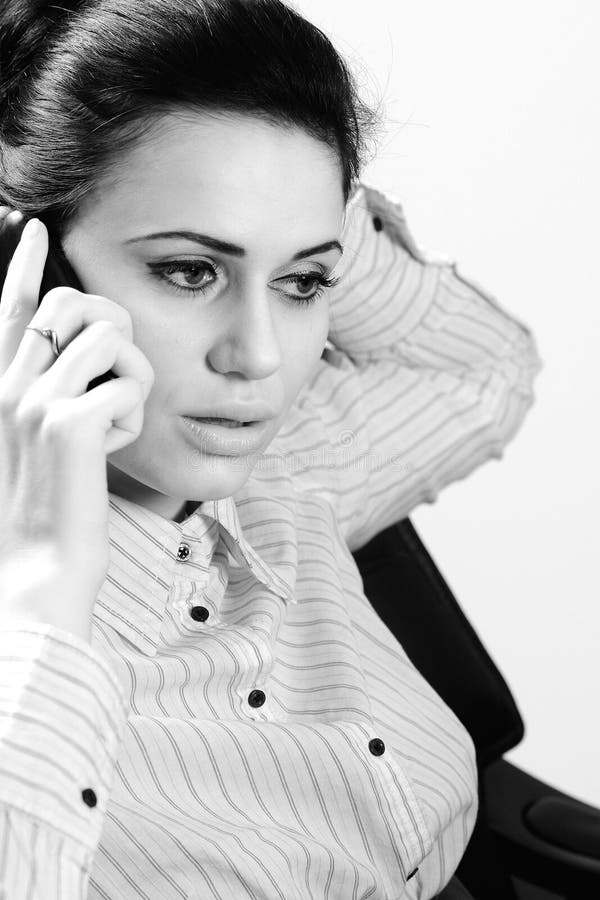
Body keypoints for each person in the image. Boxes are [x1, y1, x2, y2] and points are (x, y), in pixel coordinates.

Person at [0, 1, 543, 898]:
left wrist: (312, 206)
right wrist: (37, 599)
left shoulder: (279, 472)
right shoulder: (23, 634)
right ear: (33, 267)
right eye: (188, 271)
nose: (257, 357)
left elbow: (486, 373)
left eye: (302, 283)